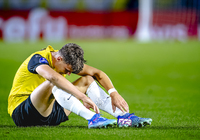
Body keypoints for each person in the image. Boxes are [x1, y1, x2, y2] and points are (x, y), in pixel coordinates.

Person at [8, 43, 152, 128]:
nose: (69, 74)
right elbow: (53, 77)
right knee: (55, 80)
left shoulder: (63, 61)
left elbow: (97, 73)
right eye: (67, 70)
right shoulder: (37, 58)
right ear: (58, 58)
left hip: (51, 114)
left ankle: (123, 117)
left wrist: (113, 92)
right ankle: (93, 118)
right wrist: (81, 96)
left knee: (88, 79)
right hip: (23, 113)